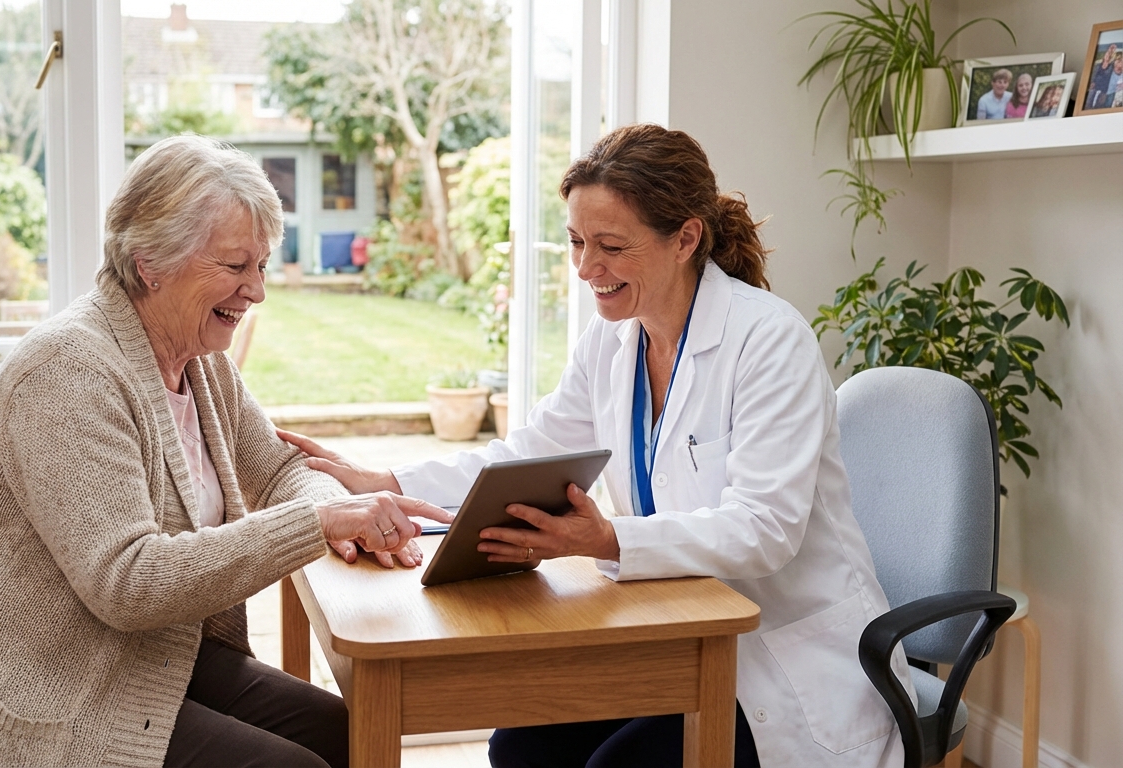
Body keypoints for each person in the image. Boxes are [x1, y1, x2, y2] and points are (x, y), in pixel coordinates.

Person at [283, 124, 916, 768]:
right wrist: (387, 481)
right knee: (521, 748)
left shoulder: (770, 341)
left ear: (686, 239)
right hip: (671, 627)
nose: (587, 268)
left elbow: (765, 529)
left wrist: (607, 540)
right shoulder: (613, 340)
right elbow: (526, 456)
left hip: (780, 663)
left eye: (611, 246)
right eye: (578, 242)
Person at [0, 135, 451, 768]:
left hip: (152, 660)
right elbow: (128, 582)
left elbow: (282, 471)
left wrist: (340, 516)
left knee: (352, 733)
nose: (257, 290)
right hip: (39, 698)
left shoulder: (199, 361)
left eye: (262, 265)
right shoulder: (67, 372)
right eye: (233, 266)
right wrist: (320, 521)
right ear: (150, 263)